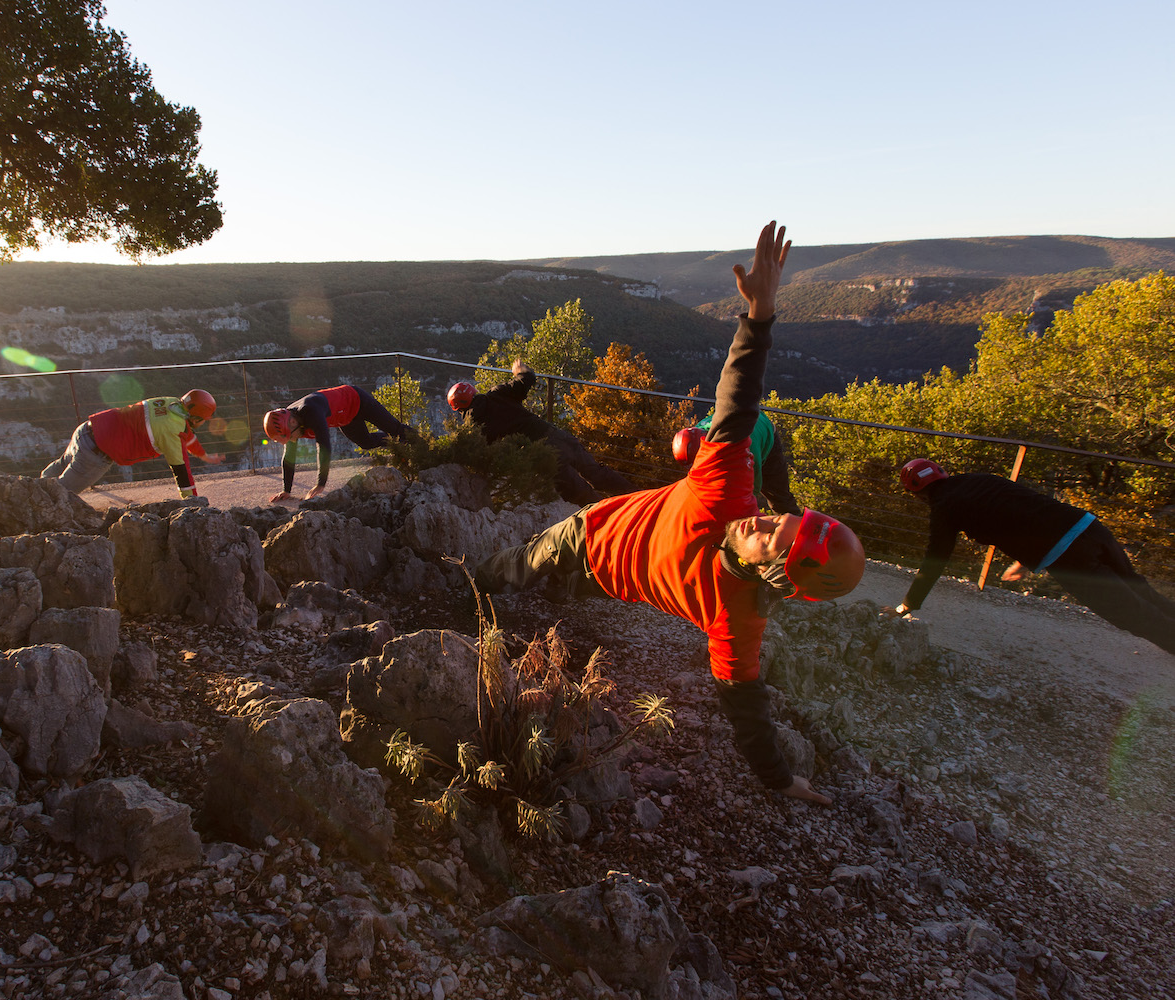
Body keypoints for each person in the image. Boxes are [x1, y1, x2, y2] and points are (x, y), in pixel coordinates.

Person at [474, 222, 866, 804]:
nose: (761, 520)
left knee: (561, 593)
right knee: (518, 564)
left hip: (609, 580)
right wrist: (759, 314)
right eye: (779, 518)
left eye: (772, 539)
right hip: (591, 531)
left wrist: (780, 780)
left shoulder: (738, 621)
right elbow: (738, 399)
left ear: (774, 574)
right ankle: (468, 584)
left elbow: (746, 707)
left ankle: (537, 593)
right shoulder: (728, 488)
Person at [889, 459, 1175, 655]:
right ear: (942, 474)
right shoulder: (981, 480)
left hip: (1067, 554)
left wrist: (908, 605)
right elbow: (1025, 514)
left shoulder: (944, 509)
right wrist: (1025, 561)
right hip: (1089, 526)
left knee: (1130, 614)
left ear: (917, 494)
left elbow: (934, 560)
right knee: (1141, 591)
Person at [446, 362, 635, 504]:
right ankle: (641, 498)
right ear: (473, 392)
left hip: (543, 453)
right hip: (556, 435)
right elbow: (527, 379)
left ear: (457, 408)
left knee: (582, 495)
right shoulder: (497, 393)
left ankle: (610, 521)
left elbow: (484, 454)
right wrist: (519, 369)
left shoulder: (474, 426)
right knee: (598, 473)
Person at [41, 390, 222, 496]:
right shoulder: (172, 433)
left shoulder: (170, 404)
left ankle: (31, 488)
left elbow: (187, 435)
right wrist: (195, 506)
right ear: (196, 417)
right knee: (61, 496)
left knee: (57, 469)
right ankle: (29, 512)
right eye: (205, 418)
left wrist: (203, 455)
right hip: (96, 454)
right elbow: (182, 472)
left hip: (85, 431)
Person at [264, 385, 416, 502]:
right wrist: (286, 490)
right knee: (366, 442)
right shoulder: (291, 422)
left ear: (292, 422)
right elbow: (289, 456)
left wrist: (320, 484)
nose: (292, 441)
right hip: (346, 417)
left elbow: (324, 446)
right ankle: (399, 444)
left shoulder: (310, 411)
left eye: (291, 437)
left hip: (357, 399)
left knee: (395, 429)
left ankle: (426, 445)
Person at [672, 411, 802, 515]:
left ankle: (800, 536)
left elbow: (750, 491)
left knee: (780, 500)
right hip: (743, 429)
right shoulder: (697, 433)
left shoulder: (744, 447)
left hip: (763, 430)